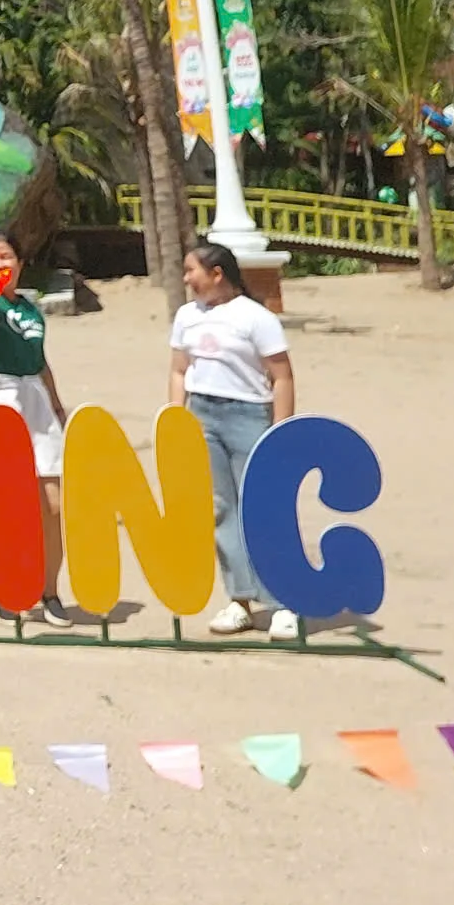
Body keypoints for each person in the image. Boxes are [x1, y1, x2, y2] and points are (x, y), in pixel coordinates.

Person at [168, 240, 298, 640]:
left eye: (192, 271)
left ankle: (282, 602)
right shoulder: (186, 316)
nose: (187, 279)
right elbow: (178, 371)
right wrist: (176, 421)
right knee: (221, 507)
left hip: (248, 415)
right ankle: (240, 599)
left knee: (261, 507)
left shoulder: (256, 318)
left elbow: (282, 377)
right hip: (203, 415)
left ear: (217, 274)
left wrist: (280, 429)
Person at [0, 231, 73, 627]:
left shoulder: (29, 309)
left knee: (52, 504)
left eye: (4, 256)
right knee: (8, 503)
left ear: (20, 262)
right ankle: (9, 590)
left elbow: (40, 361)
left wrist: (58, 406)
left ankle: (49, 591)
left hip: (35, 397)